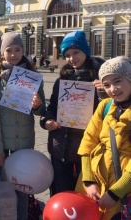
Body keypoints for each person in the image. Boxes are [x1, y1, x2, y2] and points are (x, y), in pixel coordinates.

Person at [0, 31, 46, 219]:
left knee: (22, 191)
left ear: (23, 51)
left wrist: (38, 105)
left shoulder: (33, 76)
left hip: (24, 145)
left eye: (17, 50)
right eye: (9, 50)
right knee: (2, 193)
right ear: (2, 53)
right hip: (2, 145)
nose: (13, 54)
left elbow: (40, 112)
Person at [40, 30, 107, 196]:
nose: (72, 58)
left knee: (85, 194)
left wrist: (104, 92)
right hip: (59, 147)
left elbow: (109, 112)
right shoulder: (61, 80)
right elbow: (52, 107)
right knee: (61, 193)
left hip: (87, 148)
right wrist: (47, 121)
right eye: (67, 54)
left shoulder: (101, 80)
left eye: (76, 52)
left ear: (85, 51)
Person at [76, 56, 131, 219]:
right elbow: (88, 141)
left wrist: (116, 192)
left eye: (117, 81)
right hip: (95, 181)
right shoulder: (105, 106)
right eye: (106, 85)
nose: (113, 89)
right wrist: (88, 181)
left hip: (123, 187)